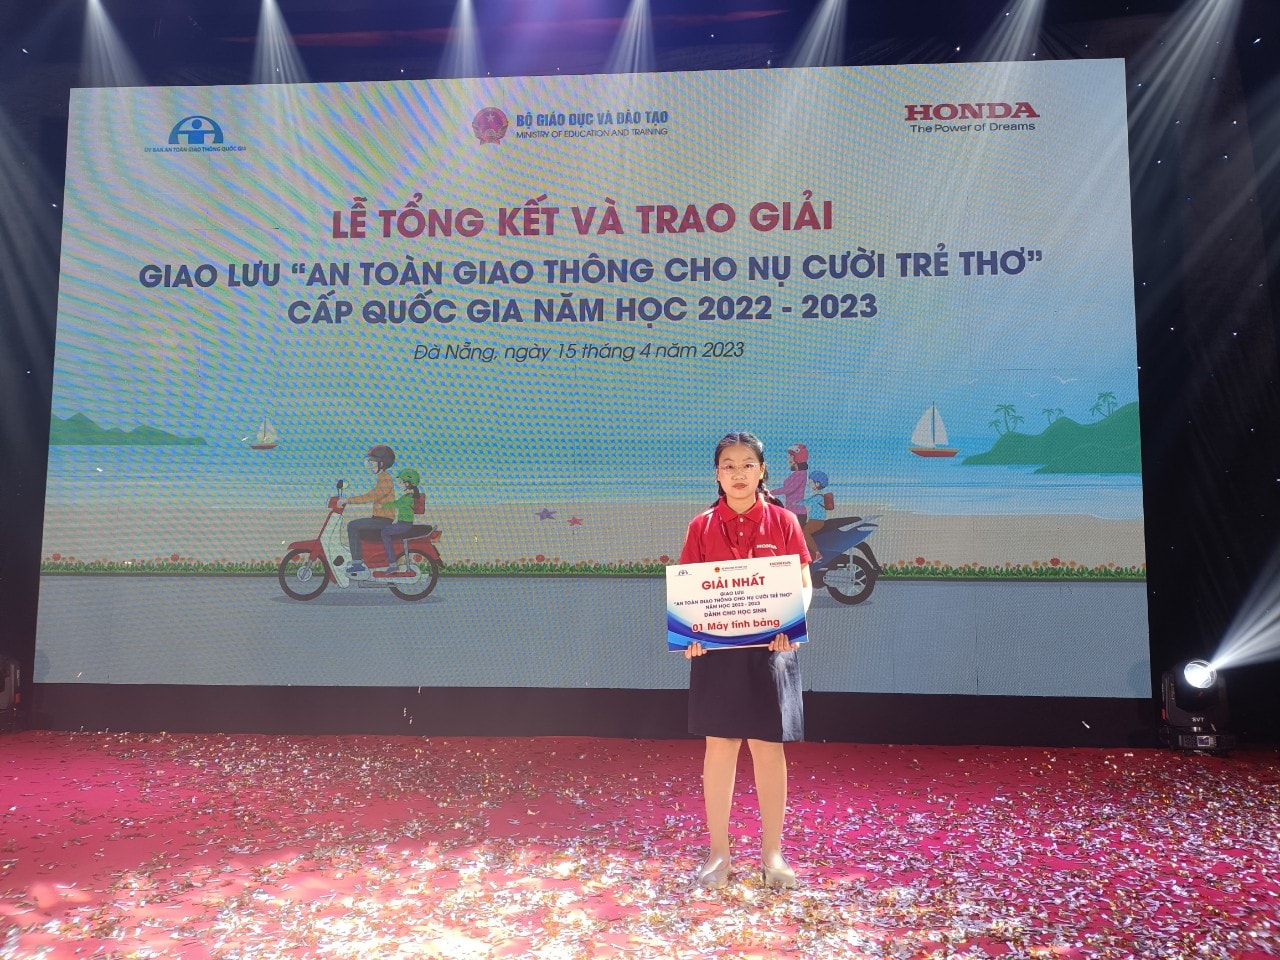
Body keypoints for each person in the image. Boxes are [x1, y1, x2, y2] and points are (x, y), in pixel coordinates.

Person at [678, 431, 813, 891]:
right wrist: (691, 634)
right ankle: (719, 853)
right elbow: (689, 595)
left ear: (762, 471)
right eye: (728, 466)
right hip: (717, 654)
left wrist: (792, 623)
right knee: (720, 747)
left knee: (768, 748)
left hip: (773, 651)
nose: (738, 473)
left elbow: (804, 584)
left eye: (747, 464)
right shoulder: (700, 526)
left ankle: (773, 854)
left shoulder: (784, 521)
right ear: (717, 474)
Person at [344, 445, 396, 576]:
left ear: (381, 463)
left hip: (383, 521)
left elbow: (371, 496)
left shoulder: (386, 480)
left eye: (373, 462)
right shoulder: (382, 478)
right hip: (379, 519)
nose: (370, 465)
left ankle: (357, 564)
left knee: (352, 526)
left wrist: (348, 500)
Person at [376, 468, 421, 575]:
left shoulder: (408, 498)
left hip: (404, 525)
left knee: (385, 532)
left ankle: (393, 564)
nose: (399, 484)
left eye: (401, 482)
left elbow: (397, 504)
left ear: (408, 484)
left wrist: (382, 506)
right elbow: (396, 502)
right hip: (402, 523)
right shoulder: (407, 496)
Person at [800, 470, 830, 562]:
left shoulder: (818, 497)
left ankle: (817, 554)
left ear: (817, 484)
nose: (809, 484)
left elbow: (807, 502)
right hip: (812, 520)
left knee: (805, 533)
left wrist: (794, 502)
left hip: (817, 521)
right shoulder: (817, 495)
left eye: (811, 482)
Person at [776, 442, 809, 524]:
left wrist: (770, 492)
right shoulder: (796, 474)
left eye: (791, 455)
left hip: (797, 513)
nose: (789, 458)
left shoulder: (801, 474)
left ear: (798, 458)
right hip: (791, 511)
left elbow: (788, 489)